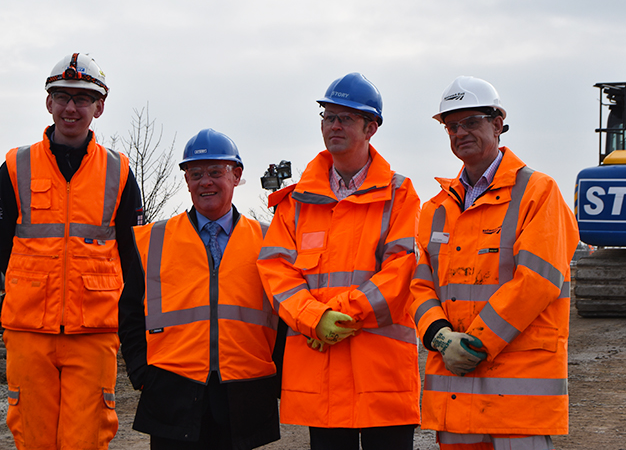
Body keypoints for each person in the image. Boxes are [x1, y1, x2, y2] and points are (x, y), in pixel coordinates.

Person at [410, 76, 579, 450]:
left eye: (471, 122)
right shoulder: (435, 209)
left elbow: (536, 281)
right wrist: (440, 336)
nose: (460, 132)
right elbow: (419, 286)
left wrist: (474, 344)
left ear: (498, 124)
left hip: (518, 400)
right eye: (452, 126)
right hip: (454, 394)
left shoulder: (538, 193)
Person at [257, 72, 421, 450]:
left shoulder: (399, 194)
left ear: (371, 128)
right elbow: (275, 270)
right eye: (328, 117)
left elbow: (401, 268)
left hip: (380, 375)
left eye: (345, 118)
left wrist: (342, 314)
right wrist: (314, 318)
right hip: (323, 376)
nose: (334, 125)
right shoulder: (296, 201)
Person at [0, 53, 143, 449]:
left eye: (82, 98)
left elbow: (134, 257)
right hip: (28, 330)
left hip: (94, 330)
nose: (71, 107)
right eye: (62, 96)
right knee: (33, 437)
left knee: (87, 437)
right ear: (48, 103)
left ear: (99, 107)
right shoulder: (16, 166)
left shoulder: (119, 171)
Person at [119, 128, 281, 450]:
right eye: (196, 173)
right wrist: (141, 373)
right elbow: (130, 315)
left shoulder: (269, 241)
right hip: (171, 393)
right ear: (186, 180)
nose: (205, 181)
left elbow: (285, 312)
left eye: (215, 172)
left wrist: (276, 379)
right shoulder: (152, 240)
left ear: (236, 176)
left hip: (244, 395)